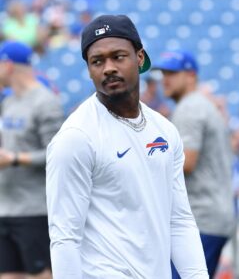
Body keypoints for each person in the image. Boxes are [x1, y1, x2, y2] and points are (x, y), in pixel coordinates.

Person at [46, 14, 209, 279]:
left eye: (118, 56)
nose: (108, 67)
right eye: (97, 61)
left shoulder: (165, 131)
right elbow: (65, 236)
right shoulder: (76, 137)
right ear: (89, 70)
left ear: (140, 58)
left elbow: (178, 219)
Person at [156, 50, 235, 278]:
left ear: (190, 75)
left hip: (201, 217)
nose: (165, 80)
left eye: (172, 73)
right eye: (163, 73)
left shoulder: (190, 108)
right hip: (213, 213)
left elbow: (186, 163)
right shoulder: (201, 104)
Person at [0, 41, 64, 279]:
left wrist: (16, 159)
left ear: (7, 65)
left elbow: (57, 154)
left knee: (41, 275)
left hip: (34, 208)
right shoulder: (8, 101)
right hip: (5, 207)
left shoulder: (45, 101)